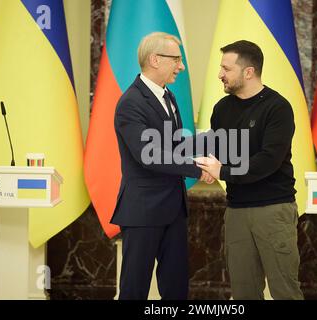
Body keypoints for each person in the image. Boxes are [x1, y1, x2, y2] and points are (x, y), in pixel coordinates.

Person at [195, 40, 304, 300]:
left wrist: (222, 171)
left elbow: (268, 160)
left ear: (248, 72)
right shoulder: (222, 108)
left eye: (226, 68)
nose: (220, 74)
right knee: (243, 293)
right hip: (236, 212)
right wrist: (208, 165)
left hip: (273, 211)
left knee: (285, 290)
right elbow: (219, 151)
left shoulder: (277, 108)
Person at [110, 32, 213, 300]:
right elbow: (149, 154)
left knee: (176, 287)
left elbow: (174, 147)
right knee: (135, 288)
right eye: (176, 59)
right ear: (155, 60)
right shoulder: (130, 103)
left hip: (173, 210)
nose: (181, 66)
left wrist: (214, 142)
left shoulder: (169, 97)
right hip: (143, 211)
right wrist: (196, 168)